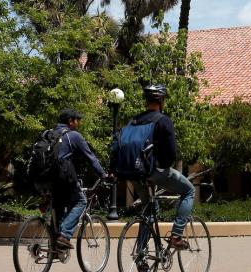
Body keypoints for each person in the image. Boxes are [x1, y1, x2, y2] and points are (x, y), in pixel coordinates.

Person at [111, 83, 195, 251]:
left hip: (134, 173)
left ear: (146, 100)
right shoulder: (163, 120)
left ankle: (141, 253)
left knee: (149, 208)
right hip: (154, 171)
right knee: (189, 191)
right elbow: (171, 152)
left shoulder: (133, 121)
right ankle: (176, 236)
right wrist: (163, 166)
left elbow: (116, 145)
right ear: (162, 100)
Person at [52, 108, 108, 249]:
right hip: (63, 178)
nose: (79, 123)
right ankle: (64, 235)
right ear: (70, 122)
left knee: (59, 206)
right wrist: (103, 175)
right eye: (77, 120)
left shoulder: (49, 134)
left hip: (45, 179)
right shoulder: (73, 136)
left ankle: (54, 245)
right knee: (81, 201)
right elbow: (91, 159)